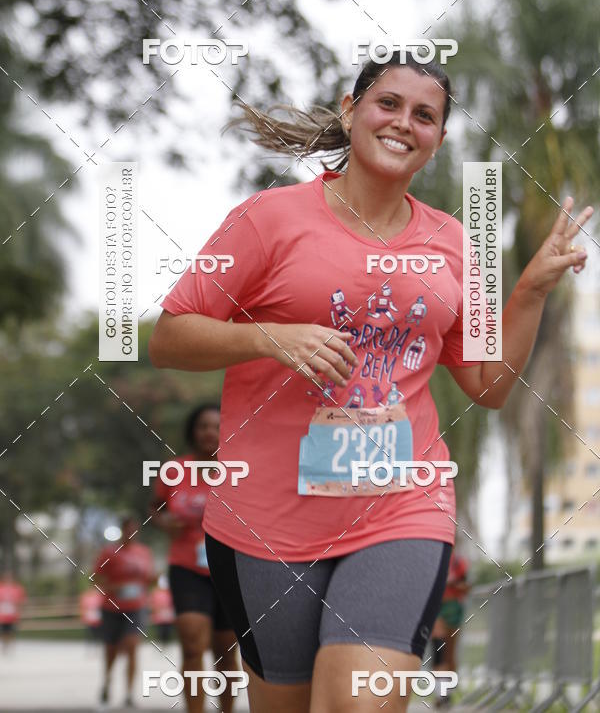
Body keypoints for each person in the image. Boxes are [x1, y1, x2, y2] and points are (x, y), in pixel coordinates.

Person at [149, 51, 592, 713]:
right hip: (266, 524)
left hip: (401, 507)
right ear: (353, 111)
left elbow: (487, 384)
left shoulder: (452, 244)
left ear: (438, 139)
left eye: (425, 115)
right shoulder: (268, 218)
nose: (404, 123)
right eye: (388, 104)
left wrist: (528, 290)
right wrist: (269, 336)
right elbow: (170, 335)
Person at [150, 403, 239, 713]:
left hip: (229, 566)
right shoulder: (174, 470)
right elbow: (156, 507)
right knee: (191, 643)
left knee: (226, 651)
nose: (210, 433)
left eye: (217, 426)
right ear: (192, 431)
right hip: (186, 565)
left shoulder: (239, 470)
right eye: (203, 426)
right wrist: (164, 524)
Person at [93, 515, 154, 710]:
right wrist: (114, 587)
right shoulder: (109, 552)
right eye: (128, 529)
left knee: (131, 646)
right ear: (122, 531)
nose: (131, 533)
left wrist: (152, 583)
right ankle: (107, 681)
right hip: (112, 607)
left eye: (135, 530)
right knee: (111, 650)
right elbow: (95, 578)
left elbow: (148, 578)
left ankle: (129, 693)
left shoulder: (144, 552)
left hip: (136, 607)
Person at [431, 550, 470, 706]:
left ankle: (447, 692)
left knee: (449, 653)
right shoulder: (431, 558)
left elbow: (466, 586)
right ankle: (441, 694)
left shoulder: (458, 562)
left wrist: (452, 583)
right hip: (436, 607)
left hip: (453, 608)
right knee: (438, 648)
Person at [0, 571, 26, 652]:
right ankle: (5, 645)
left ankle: (11, 646)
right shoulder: (1, 588)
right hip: (3, 615)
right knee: (4, 631)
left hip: (13, 615)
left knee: (12, 631)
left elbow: (21, 601)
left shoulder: (17, 588)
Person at [150, 574, 175, 645]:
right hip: (159, 619)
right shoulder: (155, 593)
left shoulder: (170, 593)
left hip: (168, 618)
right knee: (160, 634)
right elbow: (152, 604)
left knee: (168, 634)